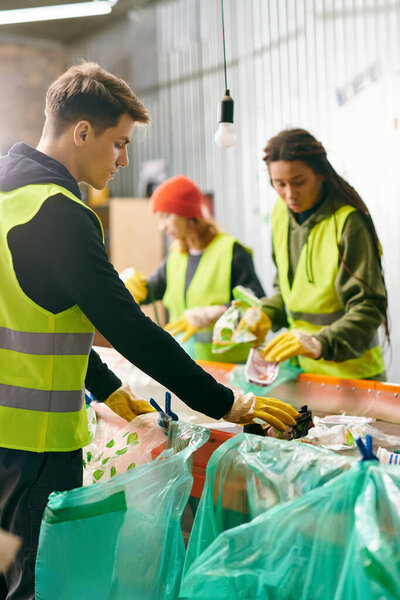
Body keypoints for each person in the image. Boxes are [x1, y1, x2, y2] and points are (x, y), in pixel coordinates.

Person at [0, 62, 297, 600]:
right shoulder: (61, 213)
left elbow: (32, 316)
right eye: (118, 143)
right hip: (35, 450)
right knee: (36, 586)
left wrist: (108, 388)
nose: (124, 160)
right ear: (81, 131)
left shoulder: (5, 197)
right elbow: (129, 330)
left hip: (5, 448)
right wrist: (226, 403)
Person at [257, 128, 388, 379]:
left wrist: (320, 343)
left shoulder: (349, 222)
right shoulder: (280, 213)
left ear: (320, 174)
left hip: (353, 377)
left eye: (298, 182)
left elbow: (369, 308)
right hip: (304, 373)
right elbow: (288, 293)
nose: (289, 194)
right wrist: (264, 313)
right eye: (279, 184)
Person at [124, 174, 266, 361]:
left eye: (166, 216)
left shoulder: (232, 252)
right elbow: (148, 291)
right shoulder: (176, 256)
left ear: (188, 215)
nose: (162, 227)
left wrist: (214, 313)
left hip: (227, 368)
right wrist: (126, 283)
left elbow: (256, 304)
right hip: (186, 366)